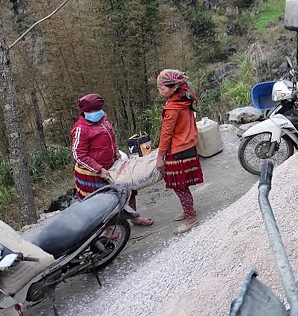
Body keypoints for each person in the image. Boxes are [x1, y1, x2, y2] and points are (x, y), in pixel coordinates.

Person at [70, 93, 153, 226]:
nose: (96, 113)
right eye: (92, 111)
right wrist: (99, 169)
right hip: (92, 172)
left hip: (112, 165)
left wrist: (115, 151)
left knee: (128, 190)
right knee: (103, 202)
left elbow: (111, 137)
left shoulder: (104, 119)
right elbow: (79, 155)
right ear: (85, 112)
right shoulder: (81, 129)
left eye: (98, 110)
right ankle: (106, 230)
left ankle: (134, 218)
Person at [156, 69, 204, 235]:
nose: (160, 92)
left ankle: (191, 219)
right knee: (182, 185)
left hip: (178, 150)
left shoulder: (172, 108)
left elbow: (166, 134)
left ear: (174, 87)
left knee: (179, 186)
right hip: (188, 145)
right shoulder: (184, 98)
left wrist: (160, 157)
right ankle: (188, 209)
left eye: (162, 88)